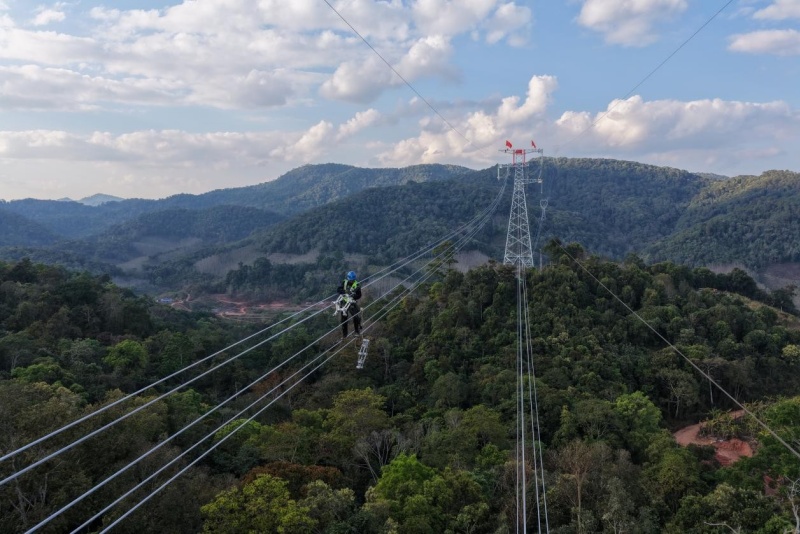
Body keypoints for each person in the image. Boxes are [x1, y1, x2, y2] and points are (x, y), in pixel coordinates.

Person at [337, 270, 362, 339]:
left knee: (356, 316)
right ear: (348, 279)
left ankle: (357, 331)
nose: (351, 281)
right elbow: (338, 289)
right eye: (350, 280)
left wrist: (353, 296)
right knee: (344, 319)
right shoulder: (344, 282)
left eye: (352, 280)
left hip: (351, 302)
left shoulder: (357, 285)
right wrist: (344, 292)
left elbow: (359, 295)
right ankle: (344, 335)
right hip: (344, 302)